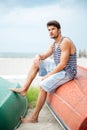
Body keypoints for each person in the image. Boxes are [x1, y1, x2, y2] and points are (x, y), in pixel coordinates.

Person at [10, 20, 77, 123]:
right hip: (59, 68)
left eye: (53, 29)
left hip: (67, 72)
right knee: (36, 63)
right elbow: (44, 56)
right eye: (49, 30)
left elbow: (63, 64)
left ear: (59, 30)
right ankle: (24, 89)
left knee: (43, 85)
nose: (50, 32)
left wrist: (48, 75)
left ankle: (34, 117)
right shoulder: (54, 44)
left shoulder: (65, 42)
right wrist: (37, 57)